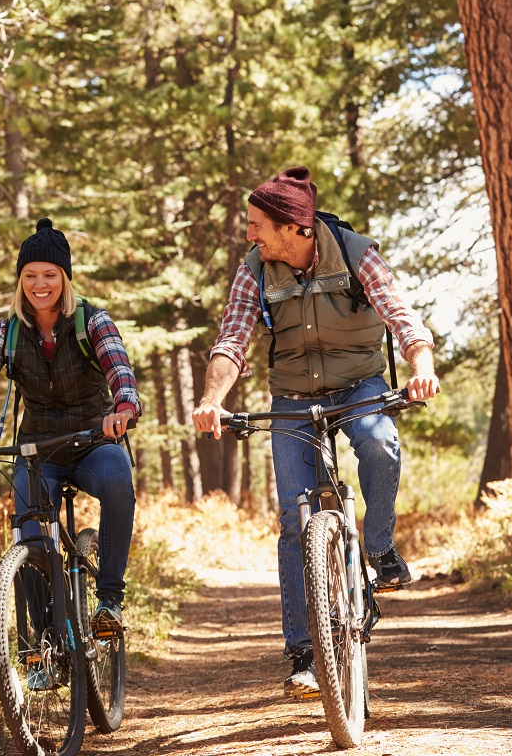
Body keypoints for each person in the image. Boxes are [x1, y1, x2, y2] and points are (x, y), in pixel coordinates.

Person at [191, 166, 439, 699]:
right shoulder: (254, 270)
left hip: (359, 384)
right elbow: (232, 340)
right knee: (293, 519)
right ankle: (305, 653)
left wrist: (421, 365)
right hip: (293, 398)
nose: (250, 234)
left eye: (258, 224)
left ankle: (379, 547)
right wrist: (213, 399)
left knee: (378, 441)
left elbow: (402, 318)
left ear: (294, 228)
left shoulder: (354, 253)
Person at [0, 217, 141, 638]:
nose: (40, 284)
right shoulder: (6, 334)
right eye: (30, 275)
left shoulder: (92, 322)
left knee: (118, 479)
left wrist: (124, 407)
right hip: (38, 451)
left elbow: (121, 373)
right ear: (20, 280)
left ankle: (110, 600)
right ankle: (44, 641)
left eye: (49, 275)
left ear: (64, 278)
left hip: (93, 443)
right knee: (27, 534)